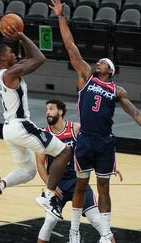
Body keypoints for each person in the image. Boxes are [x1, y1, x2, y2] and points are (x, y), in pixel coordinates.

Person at [47, 0, 141, 243]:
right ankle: (74, 231)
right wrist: (61, 17)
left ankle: (105, 233)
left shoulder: (117, 90)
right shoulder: (86, 77)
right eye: (98, 61)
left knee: (104, 188)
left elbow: (136, 114)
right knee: (81, 186)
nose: (98, 62)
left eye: (102, 62)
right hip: (84, 140)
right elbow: (70, 45)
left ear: (110, 70)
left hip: (104, 142)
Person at [0, 25, 72, 220]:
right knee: (65, 151)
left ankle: (1, 184)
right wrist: (22, 35)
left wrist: (21, 39)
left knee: (27, 171)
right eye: (10, 52)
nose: (14, 53)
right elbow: (40, 58)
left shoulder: (4, 73)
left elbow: (30, 59)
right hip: (20, 125)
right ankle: (48, 196)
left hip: (8, 130)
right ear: (2, 60)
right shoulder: (10, 73)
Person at [36, 99, 123, 243]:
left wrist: (108, 165)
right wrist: (50, 186)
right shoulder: (44, 135)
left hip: (78, 182)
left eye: (51, 109)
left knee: (97, 221)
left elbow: (93, 147)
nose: (48, 112)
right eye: (46, 110)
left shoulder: (75, 128)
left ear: (60, 111)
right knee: (49, 222)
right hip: (58, 186)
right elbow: (40, 164)